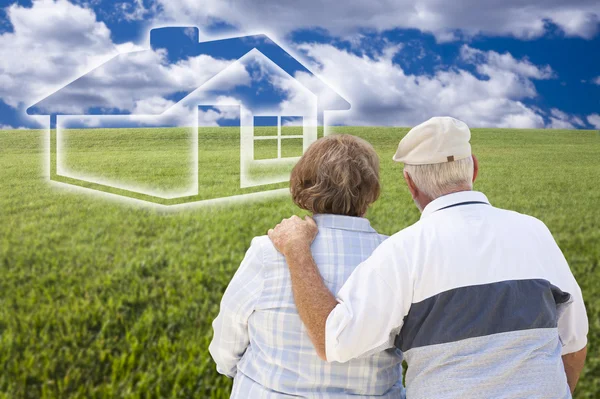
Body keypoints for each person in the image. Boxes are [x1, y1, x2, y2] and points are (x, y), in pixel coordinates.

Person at [268, 117, 589, 399]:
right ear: (474, 167)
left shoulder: (403, 251)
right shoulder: (534, 232)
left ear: (410, 184)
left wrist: (297, 250)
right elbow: (574, 347)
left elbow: (332, 340)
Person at [209, 134, 405, 398]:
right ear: (371, 190)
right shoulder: (397, 256)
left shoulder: (268, 251)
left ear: (304, 183)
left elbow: (228, 338)